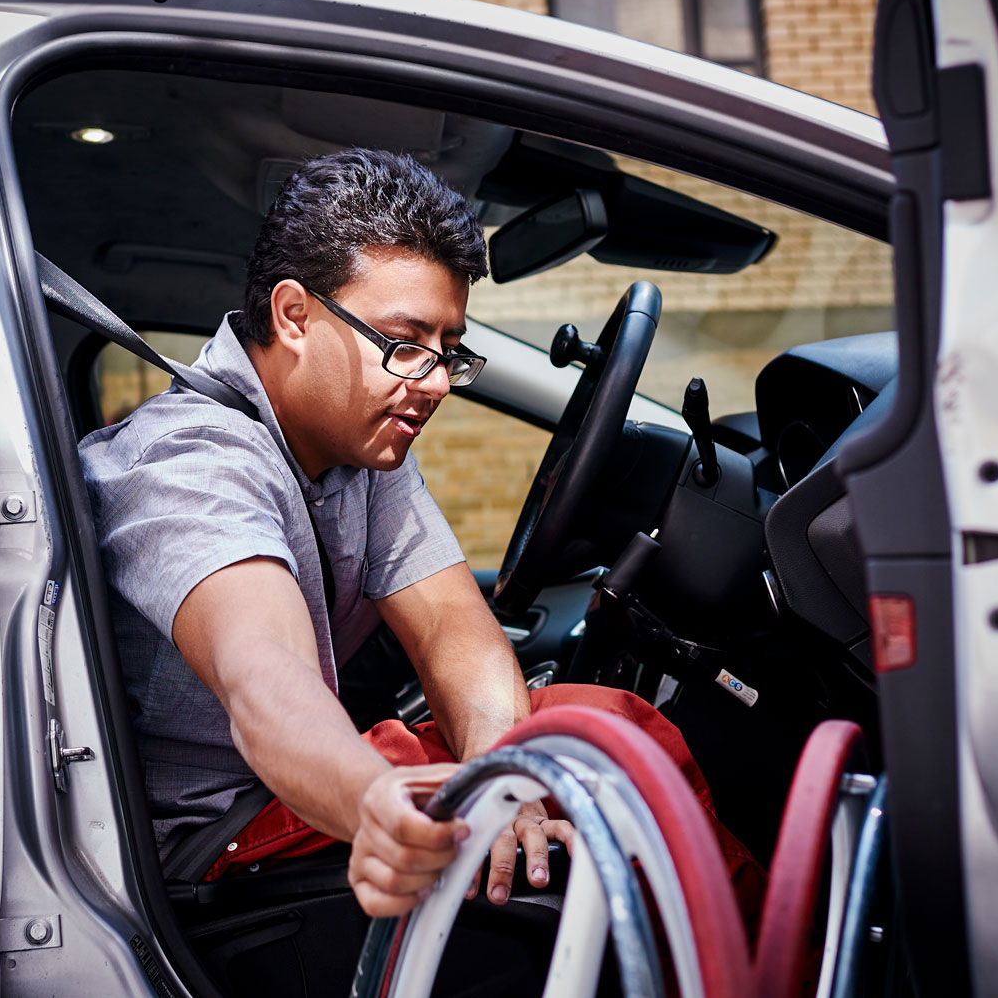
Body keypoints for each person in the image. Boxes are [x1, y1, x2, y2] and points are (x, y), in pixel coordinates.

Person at [80, 148, 760, 919]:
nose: (435, 380)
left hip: (291, 796)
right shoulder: (188, 466)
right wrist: (373, 802)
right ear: (294, 316)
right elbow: (265, 677)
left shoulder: (360, 441)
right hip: (212, 841)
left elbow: (448, 627)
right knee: (612, 746)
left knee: (584, 742)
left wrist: (506, 773)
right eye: (406, 343)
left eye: (448, 350)